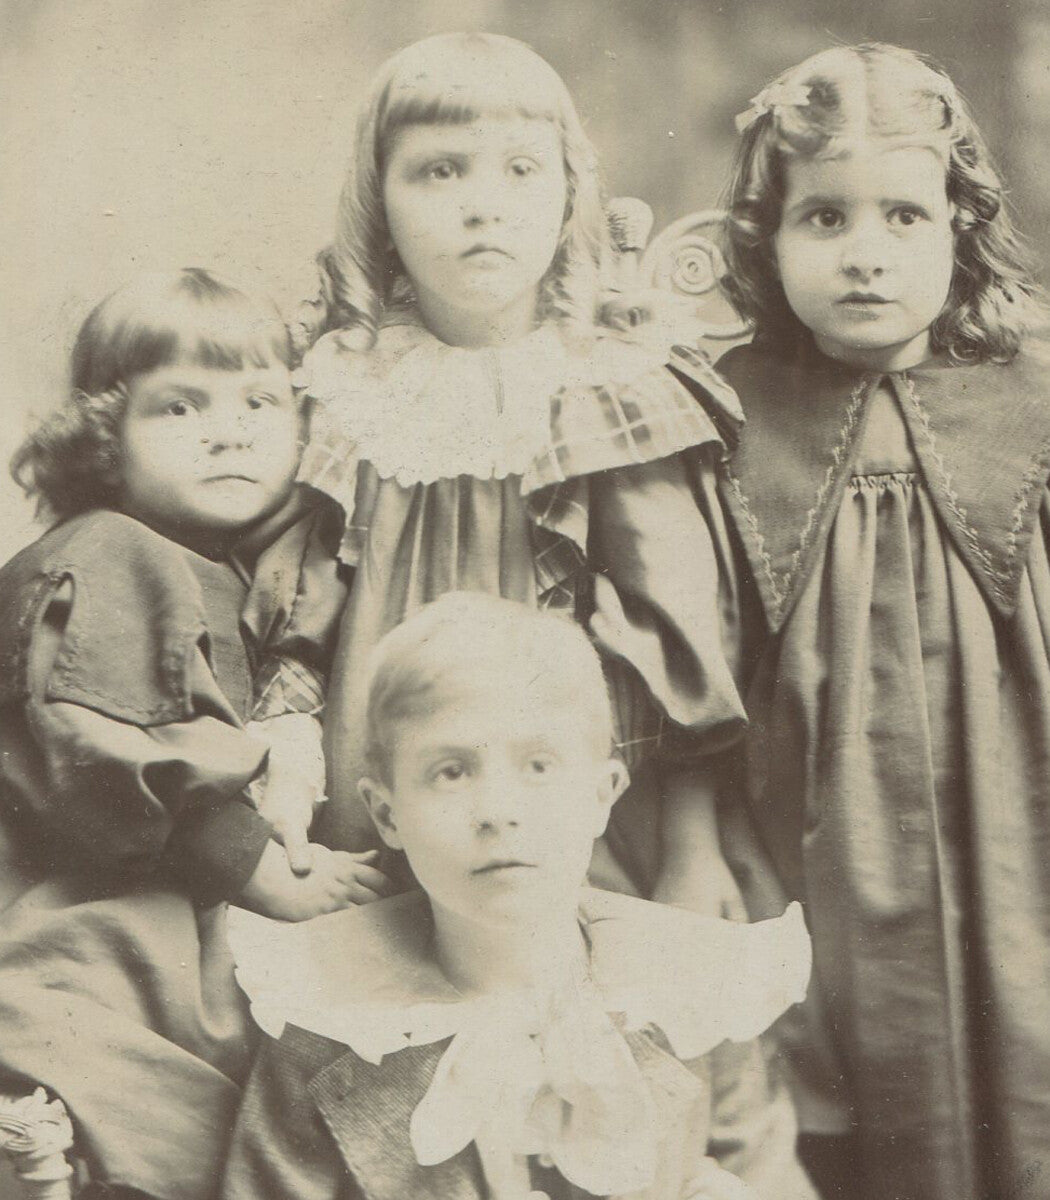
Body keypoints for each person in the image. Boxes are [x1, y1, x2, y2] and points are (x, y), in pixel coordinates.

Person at [289, 31, 748, 911]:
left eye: (521, 171)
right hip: (379, 808)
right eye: (439, 172)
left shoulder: (608, 384)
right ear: (379, 202)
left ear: (571, 194)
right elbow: (296, 606)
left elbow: (676, 639)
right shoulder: (347, 384)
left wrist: (693, 847)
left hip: (586, 815)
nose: (483, 208)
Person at [707, 42, 1050, 1200]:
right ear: (766, 236)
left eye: (905, 215)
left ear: (960, 225)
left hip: (1020, 806)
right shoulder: (721, 420)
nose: (867, 255)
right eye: (825, 220)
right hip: (815, 821)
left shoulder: (1033, 400)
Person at [0, 269, 390, 1200]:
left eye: (261, 400)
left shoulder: (222, 566)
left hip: (172, 886)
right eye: (179, 407)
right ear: (103, 441)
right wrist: (258, 870)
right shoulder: (107, 551)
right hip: (98, 894)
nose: (229, 430)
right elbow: (98, 749)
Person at [223, 592, 818, 1200]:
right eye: (451, 771)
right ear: (386, 813)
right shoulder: (324, 1016)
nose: (498, 812)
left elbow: (766, 1173)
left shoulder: (696, 993)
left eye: (538, 765)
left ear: (601, 795)